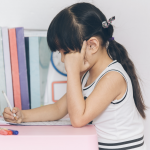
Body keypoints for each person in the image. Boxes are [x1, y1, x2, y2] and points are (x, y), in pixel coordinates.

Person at [3, 2, 147, 150]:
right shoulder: (87, 76)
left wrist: (73, 71)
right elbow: (58, 108)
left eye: (66, 53)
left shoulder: (112, 78)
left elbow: (78, 119)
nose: (64, 60)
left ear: (92, 45)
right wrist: (22, 116)